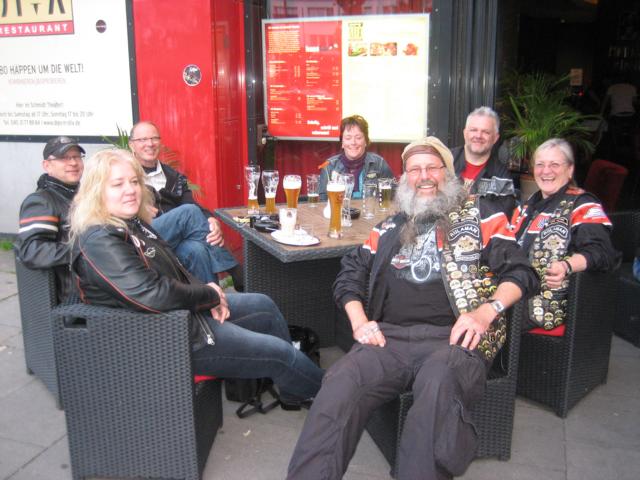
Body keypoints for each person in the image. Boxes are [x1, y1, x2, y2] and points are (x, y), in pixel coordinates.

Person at [287, 137, 539, 480]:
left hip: (454, 341)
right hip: (388, 340)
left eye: (432, 167)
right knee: (340, 381)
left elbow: (521, 272)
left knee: (437, 384)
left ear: (448, 173)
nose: (424, 176)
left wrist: (485, 312)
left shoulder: (482, 216)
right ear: (405, 178)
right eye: (414, 169)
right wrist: (359, 322)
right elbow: (350, 273)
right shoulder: (390, 227)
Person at [68, 148, 323, 407]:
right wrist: (209, 295)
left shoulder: (131, 223)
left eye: (134, 181)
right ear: (96, 191)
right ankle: (332, 397)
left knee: (263, 305)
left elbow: (174, 269)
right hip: (162, 338)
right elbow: (151, 294)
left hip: (180, 315)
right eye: (117, 184)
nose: (130, 190)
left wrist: (209, 293)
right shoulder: (100, 240)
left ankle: (295, 388)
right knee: (279, 354)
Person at [510, 138, 620, 331]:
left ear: (569, 170)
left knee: (482, 318)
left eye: (554, 164)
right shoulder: (526, 207)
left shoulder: (582, 204)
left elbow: (602, 252)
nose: (546, 171)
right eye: (540, 164)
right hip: (513, 291)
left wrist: (566, 265)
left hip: (543, 304)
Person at [128, 121, 243, 288]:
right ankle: (235, 270)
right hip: (141, 236)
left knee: (196, 250)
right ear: (132, 145)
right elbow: (107, 203)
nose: (150, 144)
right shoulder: (127, 174)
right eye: (143, 140)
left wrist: (210, 220)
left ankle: (213, 299)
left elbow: (192, 203)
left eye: (154, 138)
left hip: (171, 240)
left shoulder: (173, 176)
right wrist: (137, 207)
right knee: (188, 212)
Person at [16, 136, 85, 302]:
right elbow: (32, 251)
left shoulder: (85, 195)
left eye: (76, 157)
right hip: (76, 298)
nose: (73, 163)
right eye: (64, 158)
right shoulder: (41, 201)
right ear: (47, 165)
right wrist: (86, 250)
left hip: (98, 285)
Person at [451, 107, 516, 215]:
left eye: (486, 132)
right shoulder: (444, 161)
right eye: (473, 130)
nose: (478, 136)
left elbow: (503, 217)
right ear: (465, 133)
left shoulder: (502, 177)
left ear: (495, 138)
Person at [318, 115, 394, 200]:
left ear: (366, 141)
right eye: (348, 138)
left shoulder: (379, 164)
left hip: (371, 209)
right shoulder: (329, 166)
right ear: (342, 143)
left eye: (358, 138)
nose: (353, 142)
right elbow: (322, 202)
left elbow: (393, 197)